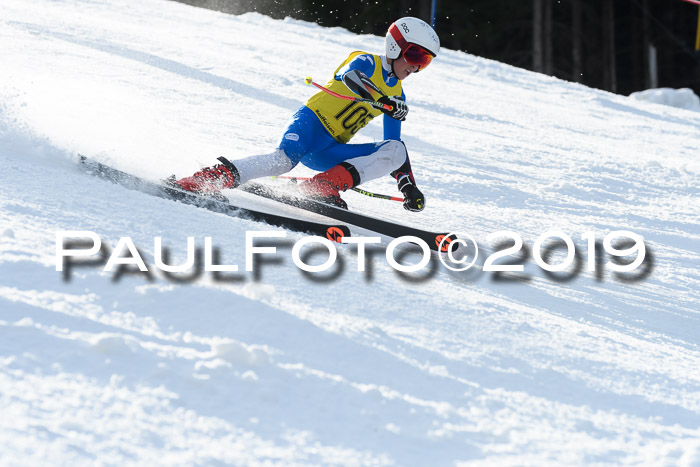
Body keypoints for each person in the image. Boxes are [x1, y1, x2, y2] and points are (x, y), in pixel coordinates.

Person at [174, 17, 440, 211]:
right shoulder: (366, 62)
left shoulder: (398, 96)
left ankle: (323, 187)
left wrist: (408, 186)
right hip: (309, 125)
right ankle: (207, 179)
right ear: (395, 46)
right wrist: (382, 101)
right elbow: (350, 77)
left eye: (425, 61)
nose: (416, 66)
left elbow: (393, 148)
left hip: (328, 151)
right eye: (415, 54)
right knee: (282, 162)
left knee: (396, 150)